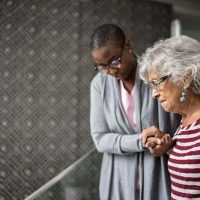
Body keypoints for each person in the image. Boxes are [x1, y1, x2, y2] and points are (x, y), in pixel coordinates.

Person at [89, 24, 180, 200]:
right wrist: (140, 141)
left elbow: (180, 125)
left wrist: (166, 144)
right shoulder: (99, 84)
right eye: (101, 66)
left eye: (114, 61)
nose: (110, 71)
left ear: (127, 45)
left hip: (160, 175)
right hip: (117, 179)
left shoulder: (158, 74)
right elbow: (100, 139)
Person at [139, 35, 200, 200]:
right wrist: (168, 147)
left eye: (157, 82)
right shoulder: (185, 121)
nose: (154, 93)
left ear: (186, 77)